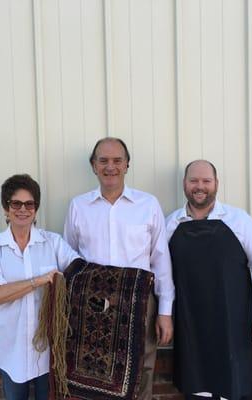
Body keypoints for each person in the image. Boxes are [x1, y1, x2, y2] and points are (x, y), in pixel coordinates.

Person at [64, 137, 175, 400]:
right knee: (93, 373)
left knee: (143, 369)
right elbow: (69, 260)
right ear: (93, 166)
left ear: (127, 165)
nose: (110, 167)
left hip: (140, 303)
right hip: (92, 306)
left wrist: (165, 312)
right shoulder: (78, 207)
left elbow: (161, 261)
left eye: (117, 160)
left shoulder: (148, 205)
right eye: (103, 161)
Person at [166, 160, 252, 400]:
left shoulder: (240, 221)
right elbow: (161, 275)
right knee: (201, 389)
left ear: (216, 184)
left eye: (206, 181)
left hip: (238, 323)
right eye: (194, 180)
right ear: (184, 184)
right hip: (192, 326)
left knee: (241, 386)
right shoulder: (170, 224)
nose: (200, 186)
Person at [0, 174, 79, 400]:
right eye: (16, 203)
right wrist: (39, 280)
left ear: (36, 208)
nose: (23, 209)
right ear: (6, 208)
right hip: (10, 348)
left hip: (47, 350)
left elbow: (78, 268)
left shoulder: (52, 243)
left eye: (29, 204)